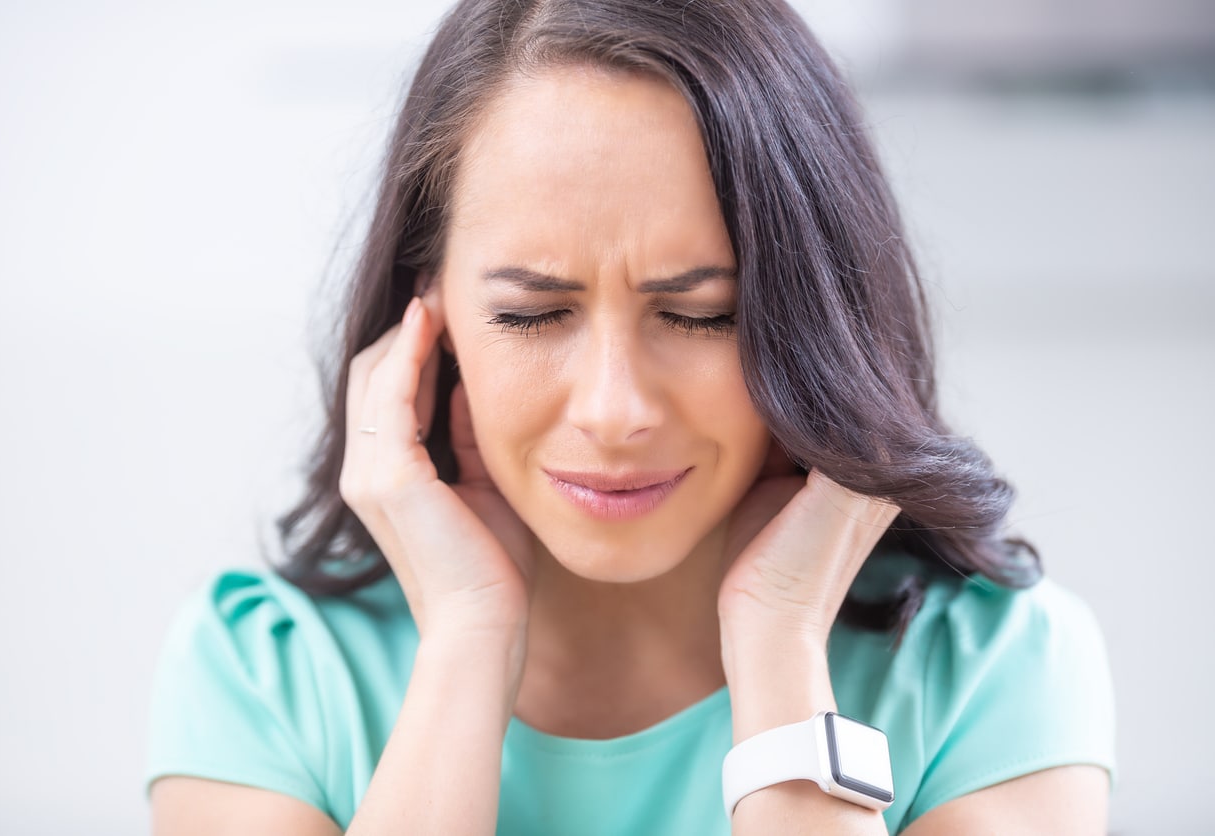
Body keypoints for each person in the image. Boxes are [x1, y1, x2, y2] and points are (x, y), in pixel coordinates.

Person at [144, 0, 1116, 833]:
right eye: (533, 313)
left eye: (701, 315)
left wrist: (780, 642)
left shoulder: (992, 670)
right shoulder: (264, 673)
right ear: (426, 314)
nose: (614, 410)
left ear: (814, 314)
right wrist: (466, 641)